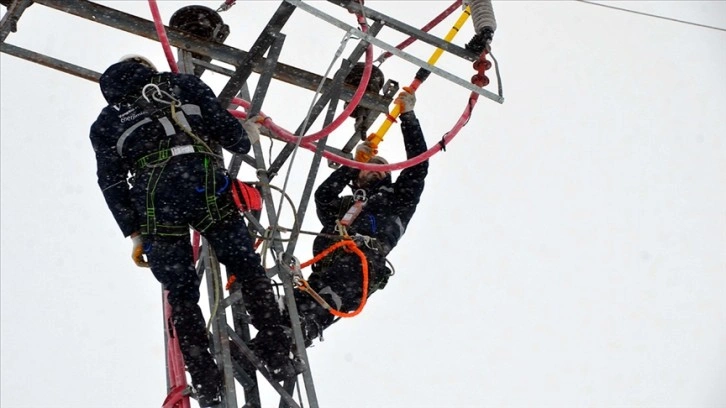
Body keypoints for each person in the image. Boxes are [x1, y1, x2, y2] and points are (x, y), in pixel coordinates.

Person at [89, 56, 294, 407]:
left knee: (182, 293)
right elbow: (228, 133)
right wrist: (244, 136)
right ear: (146, 69)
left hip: (154, 195)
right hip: (200, 178)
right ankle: (276, 350)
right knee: (245, 265)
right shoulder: (182, 85)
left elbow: (110, 182)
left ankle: (206, 379)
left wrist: (134, 232)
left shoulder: (106, 121)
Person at [293, 88, 429, 344]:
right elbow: (323, 196)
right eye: (371, 167)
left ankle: (304, 328)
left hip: (362, 263)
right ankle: (276, 338)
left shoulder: (397, 201)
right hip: (329, 262)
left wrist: (408, 117)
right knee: (298, 303)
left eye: (383, 169)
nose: (377, 170)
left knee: (327, 300)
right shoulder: (345, 205)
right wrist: (352, 165)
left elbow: (418, 165)